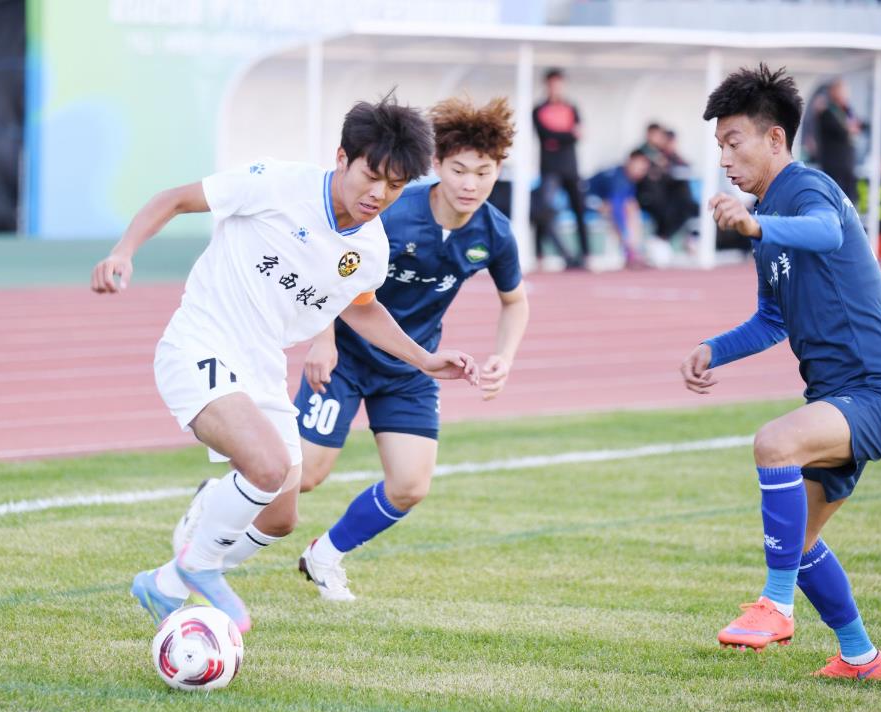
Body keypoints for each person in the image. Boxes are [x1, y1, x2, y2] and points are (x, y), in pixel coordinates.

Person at [92, 94, 478, 633]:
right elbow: (175, 199)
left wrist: (425, 359)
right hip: (201, 343)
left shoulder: (370, 248)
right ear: (342, 158)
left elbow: (361, 308)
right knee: (268, 466)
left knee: (280, 516)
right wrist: (123, 251)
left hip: (262, 368)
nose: (379, 194)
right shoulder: (275, 183)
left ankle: (166, 584)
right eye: (371, 176)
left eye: (394, 185)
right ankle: (200, 565)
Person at [172, 96, 529, 602]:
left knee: (410, 485)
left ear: (498, 172)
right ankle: (214, 505)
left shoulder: (495, 233)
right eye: (459, 170)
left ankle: (324, 555)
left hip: (409, 368)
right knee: (303, 477)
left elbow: (515, 302)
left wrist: (503, 359)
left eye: (484, 172)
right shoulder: (390, 209)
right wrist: (323, 340)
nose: (470, 184)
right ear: (436, 166)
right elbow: (325, 270)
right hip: (347, 360)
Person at [682, 64, 881, 681]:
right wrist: (713, 349)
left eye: (733, 142)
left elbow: (825, 231)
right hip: (836, 397)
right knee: (800, 542)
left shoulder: (808, 189)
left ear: (775, 139)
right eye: (719, 146)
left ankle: (776, 606)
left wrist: (755, 223)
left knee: (774, 443)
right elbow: (771, 320)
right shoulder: (766, 220)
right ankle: (861, 657)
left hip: (880, 392)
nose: (725, 159)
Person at [533, 68, 590, 268]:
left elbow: (578, 134)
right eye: (552, 84)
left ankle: (585, 254)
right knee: (543, 210)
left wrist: (559, 138)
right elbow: (545, 135)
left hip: (570, 167)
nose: (555, 88)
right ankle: (540, 255)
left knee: (579, 209)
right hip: (549, 168)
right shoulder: (538, 109)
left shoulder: (571, 108)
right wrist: (568, 135)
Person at [586, 151, 652, 267]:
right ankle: (630, 250)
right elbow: (616, 208)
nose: (640, 172)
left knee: (630, 205)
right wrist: (625, 234)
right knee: (622, 209)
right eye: (638, 167)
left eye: (643, 170)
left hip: (600, 202)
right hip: (584, 201)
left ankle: (634, 249)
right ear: (629, 162)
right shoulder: (618, 178)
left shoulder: (629, 179)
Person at [815, 78, 861, 201]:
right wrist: (849, 129)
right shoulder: (827, 112)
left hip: (848, 164)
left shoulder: (848, 111)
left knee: (850, 200)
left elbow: (858, 126)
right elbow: (841, 131)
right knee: (835, 199)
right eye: (841, 91)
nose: (845, 95)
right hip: (834, 165)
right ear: (833, 92)